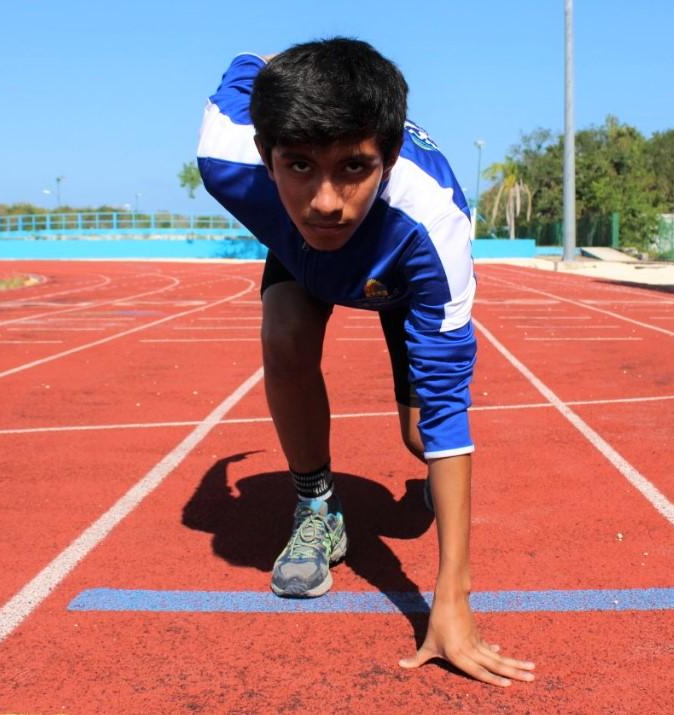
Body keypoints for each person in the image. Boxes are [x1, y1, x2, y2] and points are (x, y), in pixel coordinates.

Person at [196, 37, 535, 687]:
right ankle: (317, 508)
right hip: (303, 259)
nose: (326, 199)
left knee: (418, 438)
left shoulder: (434, 223)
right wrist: (281, 69)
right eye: (298, 165)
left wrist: (452, 600)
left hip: (396, 275)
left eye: (353, 167)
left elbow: (445, 408)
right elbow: (248, 61)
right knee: (285, 330)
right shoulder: (226, 155)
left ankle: (418, 494)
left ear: (389, 157)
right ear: (266, 154)